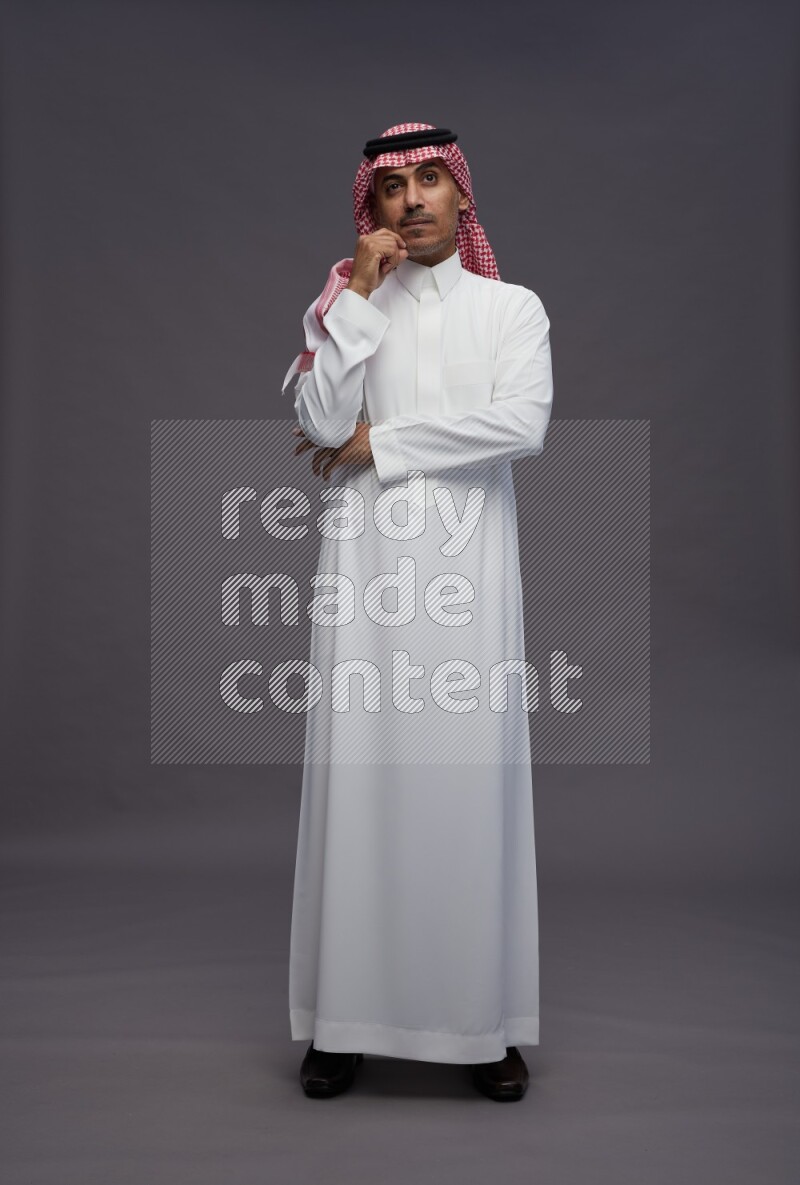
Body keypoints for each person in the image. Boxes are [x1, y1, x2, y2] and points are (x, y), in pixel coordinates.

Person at [282, 121, 554, 1101]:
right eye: (393, 188)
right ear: (373, 209)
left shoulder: (509, 308)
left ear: (461, 197)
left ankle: (480, 1028)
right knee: (357, 788)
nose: (413, 201)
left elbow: (518, 424)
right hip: (363, 582)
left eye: (430, 180)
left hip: (468, 584)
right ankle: (340, 1024)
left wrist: (380, 445)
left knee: (466, 792)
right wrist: (354, 294)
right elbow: (315, 423)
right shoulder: (344, 306)